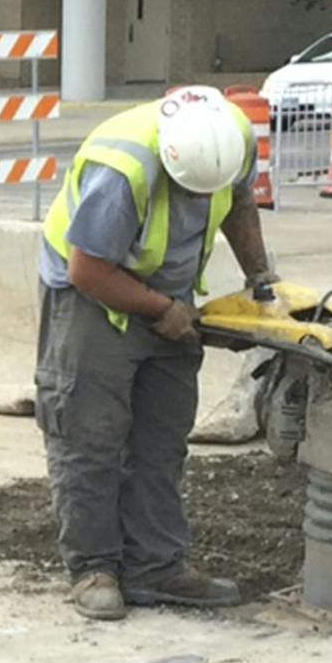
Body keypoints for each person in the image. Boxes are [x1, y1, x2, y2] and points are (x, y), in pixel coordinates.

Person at [36, 85, 276, 622]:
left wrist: (261, 280)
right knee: (88, 434)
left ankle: (156, 565)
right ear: (171, 163)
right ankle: (94, 568)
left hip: (169, 291)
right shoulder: (122, 172)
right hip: (89, 299)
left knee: (161, 437)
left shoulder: (231, 137)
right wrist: (162, 311)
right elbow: (88, 270)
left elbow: (238, 204)